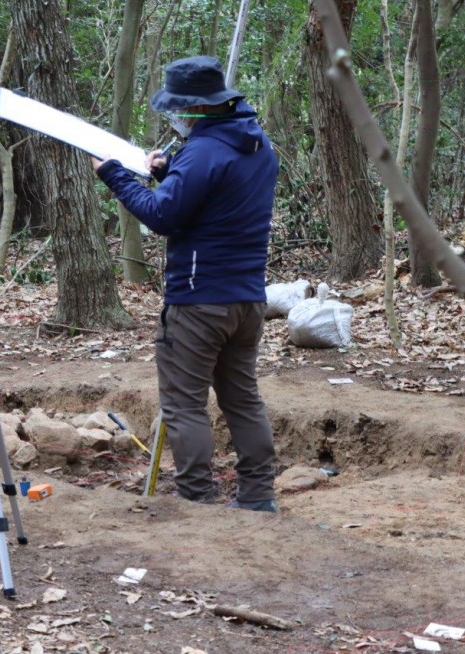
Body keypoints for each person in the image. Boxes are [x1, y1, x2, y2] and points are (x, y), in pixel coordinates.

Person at [93, 56, 280, 512]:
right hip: (247, 298)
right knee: (242, 398)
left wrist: (115, 175)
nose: (174, 118)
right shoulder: (258, 146)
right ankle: (258, 497)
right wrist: (165, 175)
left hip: (199, 301)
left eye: (177, 109)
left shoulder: (202, 151)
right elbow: (216, 201)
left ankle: (195, 501)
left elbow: (163, 215)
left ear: (194, 109)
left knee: (184, 406)